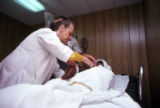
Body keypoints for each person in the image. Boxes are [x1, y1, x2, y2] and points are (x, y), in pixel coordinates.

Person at [0, 18, 96, 89]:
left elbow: (58, 71)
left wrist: (70, 78)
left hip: (25, 88)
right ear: (62, 28)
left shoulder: (52, 55)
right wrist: (85, 59)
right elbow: (63, 50)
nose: (70, 38)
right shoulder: (45, 33)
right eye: (70, 33)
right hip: (12, 77)